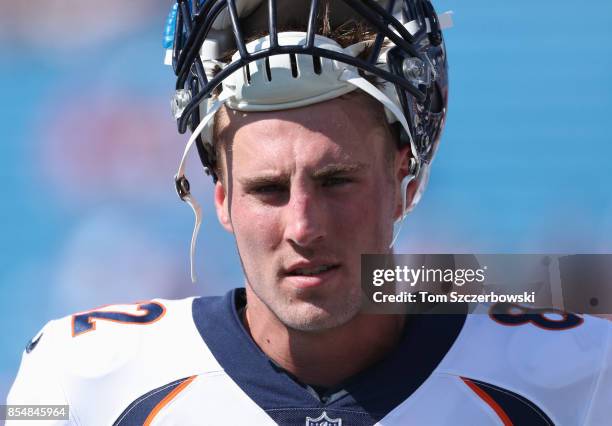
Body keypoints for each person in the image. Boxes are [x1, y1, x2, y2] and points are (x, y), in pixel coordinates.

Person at [7, 1, 611, 425]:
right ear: (220, 197)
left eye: (337, 180)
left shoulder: (576, 374)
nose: (303, 227)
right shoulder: (78, 380)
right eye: (268, 188)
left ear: (407, 179)